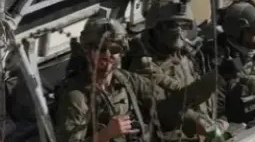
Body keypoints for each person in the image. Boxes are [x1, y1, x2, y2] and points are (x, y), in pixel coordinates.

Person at [54, 17, 218, 142]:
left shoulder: (127, 80)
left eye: (114, 49)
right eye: (101, 49)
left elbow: (165, 105)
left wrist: (203, 126)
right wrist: (106, 134)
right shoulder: (76, 96)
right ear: (87, 51)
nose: (108, 55)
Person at [127, 0, 226, 141]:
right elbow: (166, 111)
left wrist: (220, 119)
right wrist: (207, 128)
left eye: (185, 26)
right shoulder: (143, 67)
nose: (180, 32)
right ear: (156, 29)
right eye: (173, 26)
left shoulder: (184, 55)